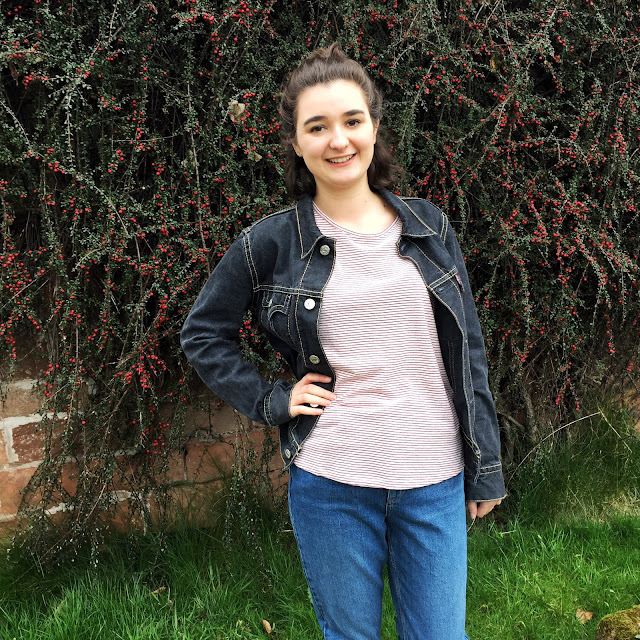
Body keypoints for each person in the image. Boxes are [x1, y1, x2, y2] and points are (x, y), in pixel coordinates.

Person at [181, 43, 506, 640]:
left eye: (352, 121)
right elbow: (203, 333)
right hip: (331, 481)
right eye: (318, 126)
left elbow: (468, 350)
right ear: (296, 143)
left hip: (432, 476)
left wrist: (484, 466)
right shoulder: (270, 244)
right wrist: (272, 400)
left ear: (374, 128)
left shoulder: (429, 226)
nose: (339, 140)